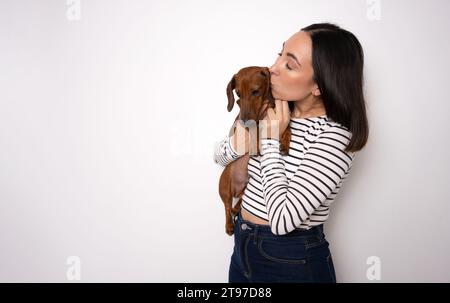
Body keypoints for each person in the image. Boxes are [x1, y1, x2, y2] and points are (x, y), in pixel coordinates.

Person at [213, 22, 369, 283]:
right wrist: (244, 144)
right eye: (280, 54)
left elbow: (283, 221)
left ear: (319, 85)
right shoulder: (273, 109)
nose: (273, 68)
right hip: (242, 248)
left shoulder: (335, 137)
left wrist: (271, 139)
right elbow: (219, 155)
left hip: (290, 259)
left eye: (290, 64)